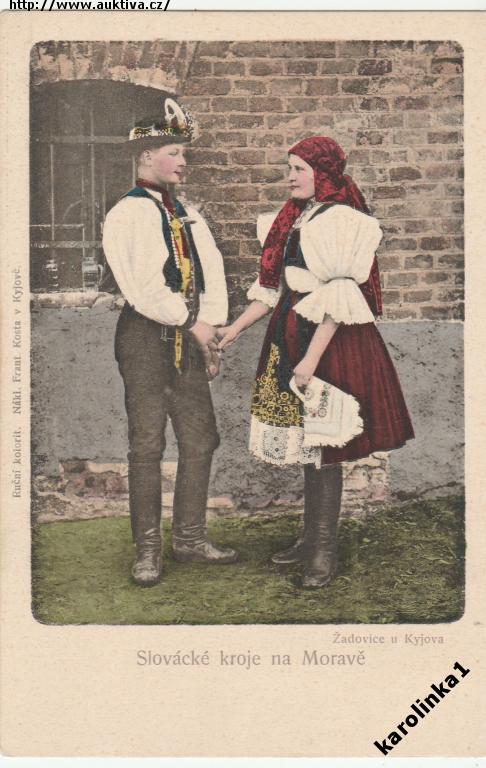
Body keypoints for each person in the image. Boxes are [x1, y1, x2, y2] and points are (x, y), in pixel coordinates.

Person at [218, 136, 414, 589]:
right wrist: (234, 330)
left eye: (298, 169)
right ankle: (309, 541)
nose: (289, 177)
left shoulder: (340, 219)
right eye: (288, 168)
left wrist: (310, 359)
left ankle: (324, 552)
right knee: (308, 444)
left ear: (322, 174)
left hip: (328, 340)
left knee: (325, 446)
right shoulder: (295, 217)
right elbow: (272, 289)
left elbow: (341, 296)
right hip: (290, 328)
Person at [102, 95, 238, 587]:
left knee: (200, 437)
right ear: (146, 156)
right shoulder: (129, 213)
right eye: (174, 153)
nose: (183, 162)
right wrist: (191, 324)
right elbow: (143, 288)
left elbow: (212, 274)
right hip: (145, 340)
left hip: (189, 340)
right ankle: (148, 551)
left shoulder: (189, 214)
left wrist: (210, 332)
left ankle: (190, 539)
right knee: (147, 442)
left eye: (185, 154)